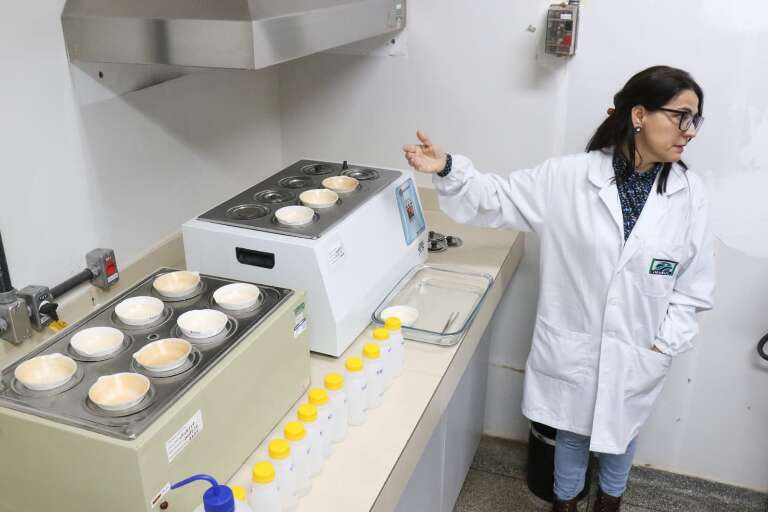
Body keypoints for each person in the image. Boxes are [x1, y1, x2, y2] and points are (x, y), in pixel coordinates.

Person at [402, 65, 715, 512]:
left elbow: (695, 284)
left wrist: (664, 344)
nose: (690, 131)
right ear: (640, 115)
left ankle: (610, 504)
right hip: (576, 342)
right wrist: (449, 169)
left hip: (640, 349)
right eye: (682, 116)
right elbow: (499, 198)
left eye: (695, 120)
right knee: (571, 431)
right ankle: (564, 505)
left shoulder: (690, 194)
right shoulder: (570, 178)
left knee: (622, 433)